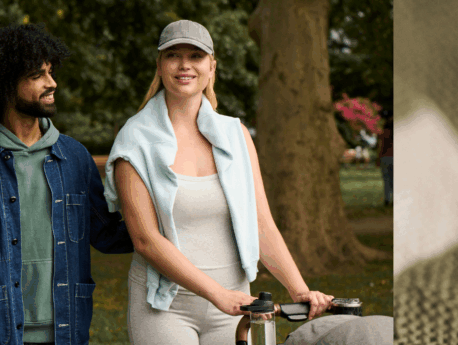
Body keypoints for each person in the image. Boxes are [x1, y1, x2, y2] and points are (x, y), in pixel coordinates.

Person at [103, 20, 334, 344]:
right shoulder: (134, 140)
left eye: (196, 56)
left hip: (236, 306)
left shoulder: (235, 134)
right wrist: (217, 294)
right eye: (174, 55)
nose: (185, 64)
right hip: (165, 308)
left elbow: (261, 222)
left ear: (211, 66)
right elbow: (145, 240)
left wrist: (300, 290)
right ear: (160, 65)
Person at [0, 24, 134, 345]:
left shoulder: (75, 156)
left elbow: (106, 235)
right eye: (37, 75)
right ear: (4, 84)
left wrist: (171, 223)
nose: (52, 83)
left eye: (51, 72)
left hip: (67, 330)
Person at [375, 115, 393, 206]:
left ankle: (387, 199)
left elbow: (380, 146)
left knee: (386, 180)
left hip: (385, 158)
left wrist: (378, 159)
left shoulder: (383, 133)